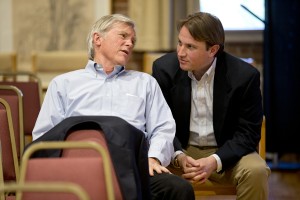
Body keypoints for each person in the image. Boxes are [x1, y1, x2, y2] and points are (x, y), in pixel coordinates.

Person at [31, 14, 195, 200]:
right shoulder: (63, 84)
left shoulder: (145, 83)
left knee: (179, 189)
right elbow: (44, 136)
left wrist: (153, 157)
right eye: (123, 36)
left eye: (132, 40)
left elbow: (163, 128)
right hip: (78, 167)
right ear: (97, 39)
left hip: (133, 168)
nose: (130, 43)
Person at [152, 12, 271, 200]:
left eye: (190, 46)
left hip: (226, 151)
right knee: (146, 168)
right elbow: (158, 122)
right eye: (180, 43)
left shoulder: (244, 76)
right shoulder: (164, 69)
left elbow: (248, 132)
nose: (180, 52)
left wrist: (215, 161)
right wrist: (178, 156)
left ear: (213, 50)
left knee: (256, 171)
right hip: (180, 149)